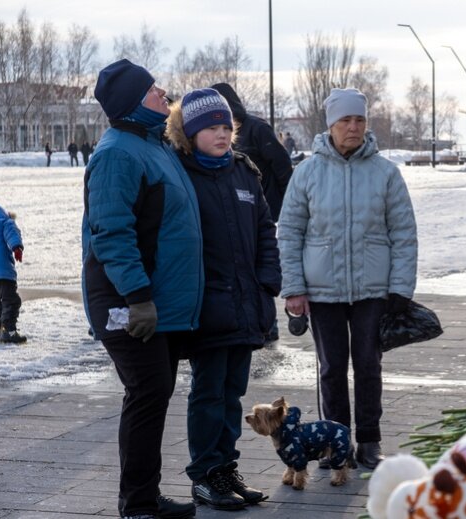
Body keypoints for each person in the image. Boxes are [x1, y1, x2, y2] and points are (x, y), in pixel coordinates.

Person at [82, 58, 203, 519]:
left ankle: (145, 497)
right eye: (153, 90)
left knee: (154, 393)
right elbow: (111, 233)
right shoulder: (117, 153)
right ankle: (136, 504)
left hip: (156, 300)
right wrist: (137, 298)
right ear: (134, 103)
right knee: (148, 391)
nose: (163, 93)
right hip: (127, 301)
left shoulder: (154, 146)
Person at [278, 87, 418, 470]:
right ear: (331, 125)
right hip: (322, 290)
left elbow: (404, 233)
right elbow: (289, 232)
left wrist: (400, 289)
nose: (353, 127)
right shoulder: (306, 173)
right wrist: (293, 288)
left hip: (373, 290)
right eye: (346, 120)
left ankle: (369, 442)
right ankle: (333, 441)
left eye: (359, 120)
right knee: (331, 367)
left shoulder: (386, 174)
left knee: (369, 365)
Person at [165, 88, 281, 511]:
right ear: (190, 133)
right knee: (208, 392)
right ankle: (204, 475)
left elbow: (265, 231)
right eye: (210, 128)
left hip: (246, 303)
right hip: (205, 307)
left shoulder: (243, 172)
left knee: (233, 392)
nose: (220, 134)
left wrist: (268, 282)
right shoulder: (180, 174)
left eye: (225, 127)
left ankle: (225, 468)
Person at [211, 82, 292, 343]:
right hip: (235, 212)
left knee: (261, 263)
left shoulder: (257, 129)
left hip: (263, 207)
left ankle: (269, 324)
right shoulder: (214, 135)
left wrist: (287, 205)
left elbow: (282, 166)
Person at [0, 205, 26, 344]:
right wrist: (16, 246)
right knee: (11, 301)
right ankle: (8, 331)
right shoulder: (3, 218)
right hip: (3, 272)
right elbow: (11, 231)